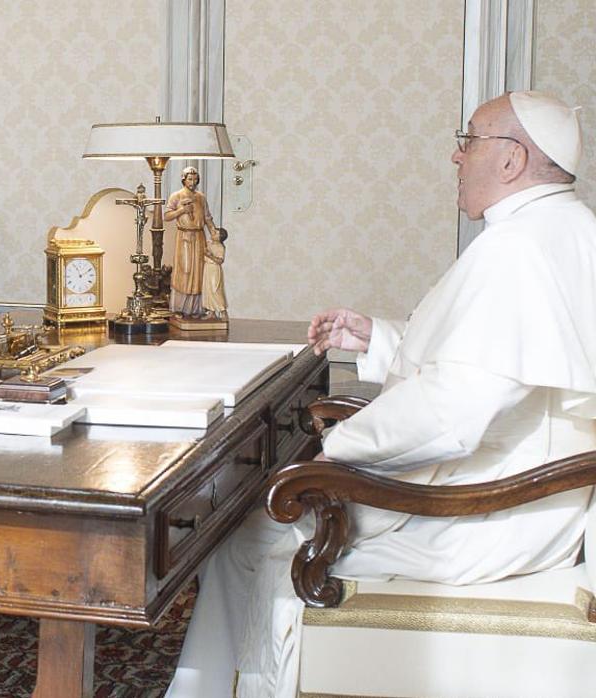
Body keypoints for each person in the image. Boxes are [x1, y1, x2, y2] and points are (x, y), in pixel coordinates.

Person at [166, 91, 596, 698]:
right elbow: (491, 370)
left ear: (509, 160)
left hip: (488, 515)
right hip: (528, 495)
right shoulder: (566, 229)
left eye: (467, 140)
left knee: (247, 528)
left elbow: (456, 414)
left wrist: (335, 451)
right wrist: (382, 338)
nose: (455, 155)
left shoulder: (519, 248)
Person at [165, 166, 218, 318]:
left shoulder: (201, 197)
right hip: (184, 238)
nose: (193, 182)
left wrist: (213, 231)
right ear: (184, 179)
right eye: (190, 179)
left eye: (195, 179)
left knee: (199, 270)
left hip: (199, 237)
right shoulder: (177, 196)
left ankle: (197, 308)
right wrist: (182, 210)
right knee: (185, 269)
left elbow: (207, 217)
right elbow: (167, 216)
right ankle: (180, 308)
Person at [201, 227, 228, 319]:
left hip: (214, 270)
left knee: (215, 290)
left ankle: (223, 311)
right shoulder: (209, 244)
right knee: (207, 289)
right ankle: (211, 312)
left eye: (215, 233)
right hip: (207, 268)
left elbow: (220, 261)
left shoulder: (220, 247)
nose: (212, 233)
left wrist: (210, 255)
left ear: (219, 237)